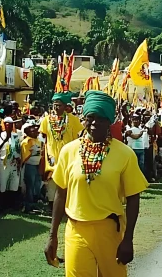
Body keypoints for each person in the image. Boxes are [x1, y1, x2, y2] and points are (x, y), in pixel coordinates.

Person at [44, 90, 148, 277]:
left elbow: (133, 198)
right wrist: (52, 236)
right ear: (83, 118)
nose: (94, 123)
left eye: (101, 118)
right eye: (90, 117)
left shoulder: (124, 154)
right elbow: (61, 194)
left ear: (110, 121)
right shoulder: (69, 151)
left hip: (109, 230)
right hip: (75, 229)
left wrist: (128, 239)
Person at [40, 92, 84, 205]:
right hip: (52, 157)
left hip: (69, 157)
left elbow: (79, 137)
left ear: (66, 106)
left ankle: (68, 205)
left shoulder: (73, 120)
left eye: (59, 105)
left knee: (68, 181)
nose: (56, 107)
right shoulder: (46, 120)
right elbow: (43, 138)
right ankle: (52, 205)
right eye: (54, 105)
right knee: (52, 181)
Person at [0, 117, 22, 209]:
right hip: (4, 162)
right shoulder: (0, 135)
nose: (9, 127)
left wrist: (18, 160)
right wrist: (5, 138)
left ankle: (12, 205)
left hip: (14, 162)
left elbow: (18, 149)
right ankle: (2, 205)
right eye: (7, 125)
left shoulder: (15, 135)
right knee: (3, 183)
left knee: (14, 183)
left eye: (11, 125)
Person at [20, 123, 43, 213]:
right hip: (30, 166)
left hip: (38, 165)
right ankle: (28, 207)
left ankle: (34, 204)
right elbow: (25, 156)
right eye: (32, 130)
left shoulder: (38, 140)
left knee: (37, 186)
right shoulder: (26, 142)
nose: (35, 131)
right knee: (30, 186)